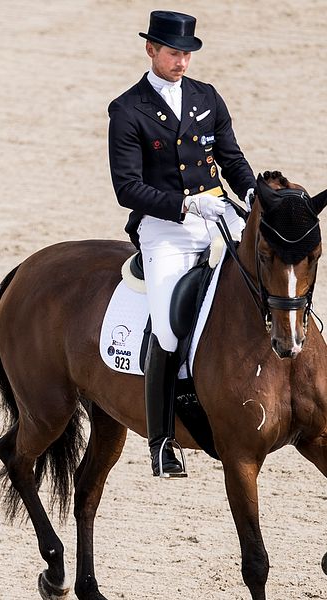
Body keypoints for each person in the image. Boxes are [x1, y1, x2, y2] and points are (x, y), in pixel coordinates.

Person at [108, 10, 256, 477]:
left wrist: (250, 195)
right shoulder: (128, 109)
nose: (182, 62)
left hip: (221, 215)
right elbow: (127, 188)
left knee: (267, 278)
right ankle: (162, 439)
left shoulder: (206, 98)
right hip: (166, 227)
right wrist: (188, 205)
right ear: (151, 49)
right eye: (174, 53)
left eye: (187, 54)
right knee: (169, 331)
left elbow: (230, 158)